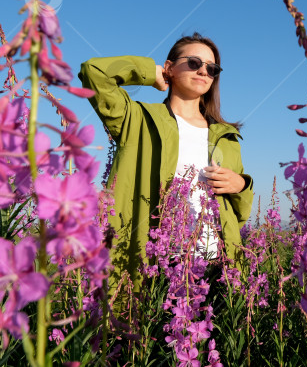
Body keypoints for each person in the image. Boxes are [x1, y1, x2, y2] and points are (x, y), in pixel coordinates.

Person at [78, 33, 253, 294]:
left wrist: (241, 185)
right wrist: (149, 72)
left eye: (212, 68)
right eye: (194, 62)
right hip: (156, 259)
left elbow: (239, 215)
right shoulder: (136, 119)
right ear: (169, 67)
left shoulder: (226, 136)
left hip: (218, 264)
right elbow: (93, 73)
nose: (204, 71)